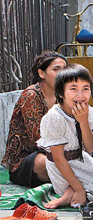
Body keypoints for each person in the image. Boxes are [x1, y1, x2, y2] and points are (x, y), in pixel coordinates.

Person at [37, 64, 93, 209]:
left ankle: (72, 192)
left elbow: (91, 147)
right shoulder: (55, 117)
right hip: (62, 167)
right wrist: (79, 189)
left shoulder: (87, 111)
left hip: (81, 159)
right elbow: (58, 159)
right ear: (60, 93)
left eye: (85, 88)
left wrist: (83, 121)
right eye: (73, 89)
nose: (81, 95)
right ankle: (70, 192)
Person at [2, 51, 67, 187]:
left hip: (58, 153)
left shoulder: (63, 96)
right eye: (56, 69)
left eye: (65, 70)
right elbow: (38, 139)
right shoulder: (31, 95)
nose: (62, 74)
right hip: (27, 161)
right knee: (45, 163)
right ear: (41, 73)